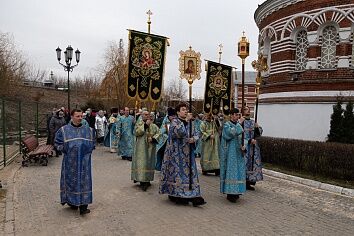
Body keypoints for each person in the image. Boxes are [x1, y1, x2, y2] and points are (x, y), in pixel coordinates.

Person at [159, 103, 206, 207]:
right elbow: (179, 133)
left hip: (188, 154)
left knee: (190, 175)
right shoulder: (174, 122)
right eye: (183, 109)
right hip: (177, 155)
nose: (185, 111)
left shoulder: (190, 122)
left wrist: (193, 139)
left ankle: (194, 195)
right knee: (178, 174)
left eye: (186, 109)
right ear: (178, 112)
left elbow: (198, 133)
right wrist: (186, 121)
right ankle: (177, 194)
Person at [55, 109, 95, 215]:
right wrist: (66, 149)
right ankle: (72, 202)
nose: (80, 118)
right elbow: (57, 143)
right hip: (70, 162)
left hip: (84, 162)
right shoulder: (64, 130)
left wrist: (87, 151)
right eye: (77, 116)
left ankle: (83, 206)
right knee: (70, 181)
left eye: (81, 116)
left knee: (84, 182)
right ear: (72, 117)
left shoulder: (88, 130)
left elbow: (93, 143)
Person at [219, 108, 246, 203]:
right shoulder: (227, 125)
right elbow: (230, 134)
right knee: (231, 171)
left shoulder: (239, 125)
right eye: (235, 114)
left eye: (238, 114)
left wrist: (244, 145)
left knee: (239, 170)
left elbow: (244, 137)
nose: (237, 116)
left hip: (238, 152)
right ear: (231, 115)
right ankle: (230, 192)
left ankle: (238, 191)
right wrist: (239, 124)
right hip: (230, 152)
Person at [131, 110, 160, 191]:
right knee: (142, 163)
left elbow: (158, 132)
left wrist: (154, 138)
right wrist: (145, 125)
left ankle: (148, 179)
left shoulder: (153, 125)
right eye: (145, 114)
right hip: (141, 148)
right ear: (142, 115)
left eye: (148, 114)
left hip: (151, 148)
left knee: (149, 163)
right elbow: (136, 132)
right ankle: (142, 181)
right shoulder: (139, 123)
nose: (147, 116)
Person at [242, 106, 263, 190]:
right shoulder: (241, 122)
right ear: (243, 112)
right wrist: (250, 140)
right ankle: (243, 182)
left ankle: (250, 181)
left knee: (252, 164)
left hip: (253, 147)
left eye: (249, 110)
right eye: (246, 110)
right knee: (246, 164)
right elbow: (241, 135)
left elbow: (259, 133)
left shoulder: (253, 121)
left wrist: (257, 127)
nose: (248, 111)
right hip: (246, 146)